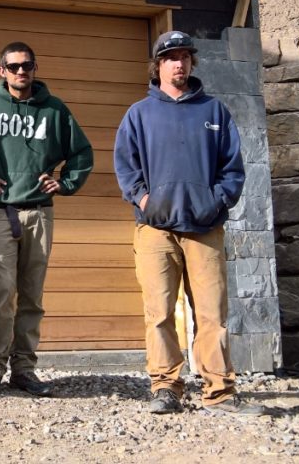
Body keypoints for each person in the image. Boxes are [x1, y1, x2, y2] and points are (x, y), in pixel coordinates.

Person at [113, 30, 265, 416]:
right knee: (159, 312)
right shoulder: (139, 114)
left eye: (184, 56)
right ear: (158, 65)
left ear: (192, 63)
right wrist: (146, 201)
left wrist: (216, 202)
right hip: (155, 231)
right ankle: (165, 387)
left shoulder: (214, 112)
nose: (178, 63)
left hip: (205, 229)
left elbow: (232, 168)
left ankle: (219, 392)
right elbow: (126, 167)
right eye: (170, 57)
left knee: (212, 313)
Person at [0, 41, 93, 397]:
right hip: (2, 212)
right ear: (2, 71)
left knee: (32, 295)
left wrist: (66, 181)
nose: (20, 72)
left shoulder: (55, 110)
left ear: (35, 68)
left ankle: (24, 369)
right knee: (1, 291)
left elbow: (82, 152)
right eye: (13, 67)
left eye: (26, 66)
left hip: (40, 213)